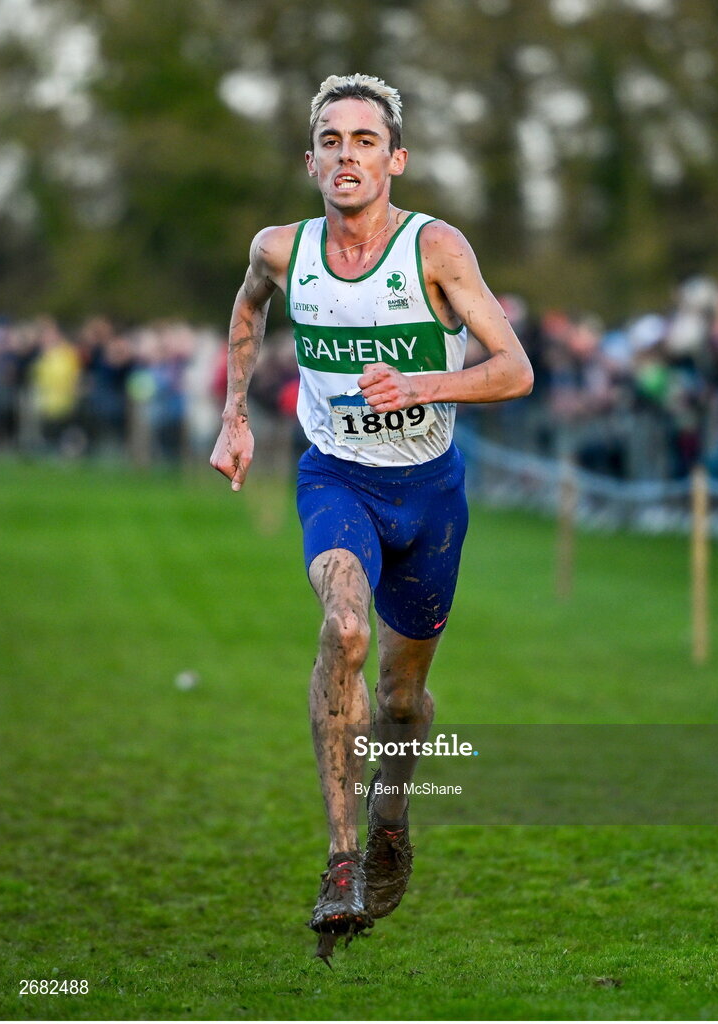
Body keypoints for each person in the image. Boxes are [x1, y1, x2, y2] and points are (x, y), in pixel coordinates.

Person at [210, 73, 533, 963]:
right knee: (344, 629)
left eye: (363, 141)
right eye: (330, 140)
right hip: (335, 480)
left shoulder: (436, 250)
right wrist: (235, 413)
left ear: (395, 160)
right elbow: (247, 307)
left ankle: (393, 816)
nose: (345, 156)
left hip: (429, 495)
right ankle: (343, 860)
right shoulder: (282, 249)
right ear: (310, 159)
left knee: (400, 694)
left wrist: (425, 381)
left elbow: (514, 369)